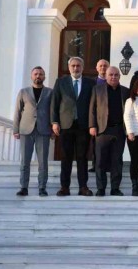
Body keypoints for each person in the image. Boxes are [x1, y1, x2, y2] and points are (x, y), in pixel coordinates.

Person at [51, 57, 95, 197]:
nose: (76, 68)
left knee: (82, 157)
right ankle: (65, 187)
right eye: (73, 66)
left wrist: (92, 124)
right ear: (69, 67)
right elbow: (55, 102)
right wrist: (55, 122)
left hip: (83, 126)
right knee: (66, 157)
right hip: (66, 125)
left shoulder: (90, 83)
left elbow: (93, 105)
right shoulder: (61, 82)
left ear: (82, 67)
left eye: (78, 66)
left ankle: (83, 187)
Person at [13, 66, 53, 197]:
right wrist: (15, 129)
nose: (38, 76)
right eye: (36, 74)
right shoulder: (23, 92)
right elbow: (18, 111)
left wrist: (53, 129)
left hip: (44, 130)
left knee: (43, 162)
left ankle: (42, 187)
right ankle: (24, 187)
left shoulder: (50, 92)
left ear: (44, 77)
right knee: (25, 161)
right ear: (31, 76)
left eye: (40, 74)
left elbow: (53, 112)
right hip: (26, 130)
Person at [89, 67, 129, 196]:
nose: (113, 77)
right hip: (102, 130)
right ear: (106, 76)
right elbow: (92, 109)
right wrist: (92, 126)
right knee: (100, 161)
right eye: (111, 74)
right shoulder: (97, 89)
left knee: (117, 161)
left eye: (116, 75)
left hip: (119, 130)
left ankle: (115, 188)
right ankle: (101, 188)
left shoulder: (125, 91)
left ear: (119, 76)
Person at [88, 59, 110, 173]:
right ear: (97, 68)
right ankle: (95, 165)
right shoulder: (91, 83)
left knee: (108, 143)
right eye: (100, 66)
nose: (103, 68)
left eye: (105, 66)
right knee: (95, 143)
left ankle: (108, 165)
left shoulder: (112, 81)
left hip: (109, 118)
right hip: (95, 118)